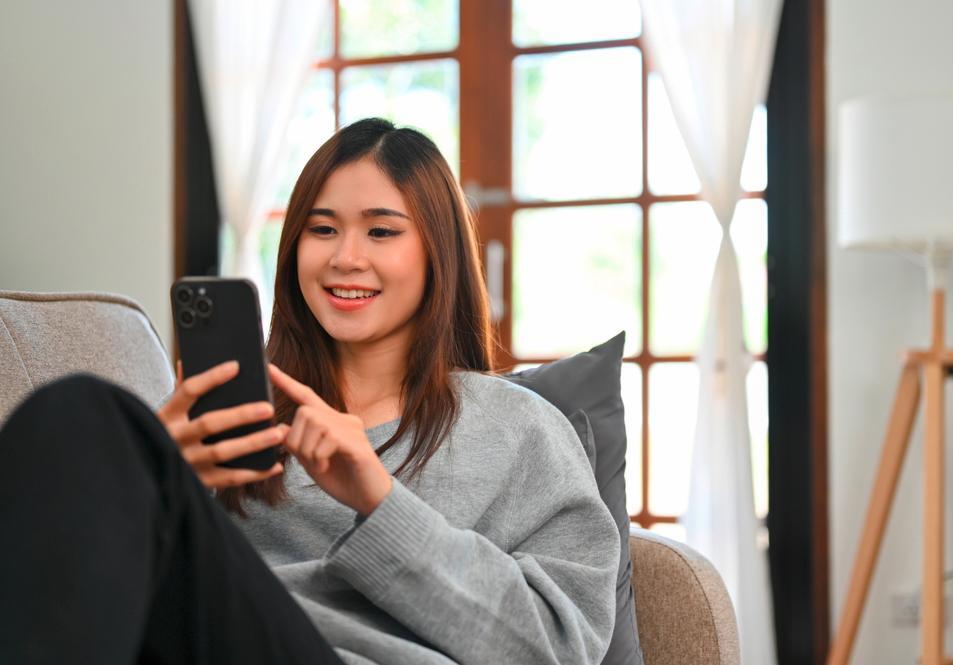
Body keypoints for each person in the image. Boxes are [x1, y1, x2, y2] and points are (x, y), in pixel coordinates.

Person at [0, 118, 620, 665]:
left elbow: (560, 648)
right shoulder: (245, 411)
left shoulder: (520, 428)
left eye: (381, 232)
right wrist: (152, 482)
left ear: (439, 252)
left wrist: (379, 500)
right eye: (322, 230)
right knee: (79, 413)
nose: (345, 258)